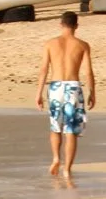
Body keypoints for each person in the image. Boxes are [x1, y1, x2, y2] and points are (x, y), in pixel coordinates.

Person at [34, 10, 95, 180]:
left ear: (61, 25)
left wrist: (39, 93)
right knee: (71, 131)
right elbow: (88, 72)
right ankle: (67, 169)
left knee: (55, 127)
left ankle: (55, 158)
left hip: (55, 87)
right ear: (76, 26)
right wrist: (92, 92)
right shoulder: (82, 45)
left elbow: (44, 70)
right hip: (73, 87)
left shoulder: (50, 44)